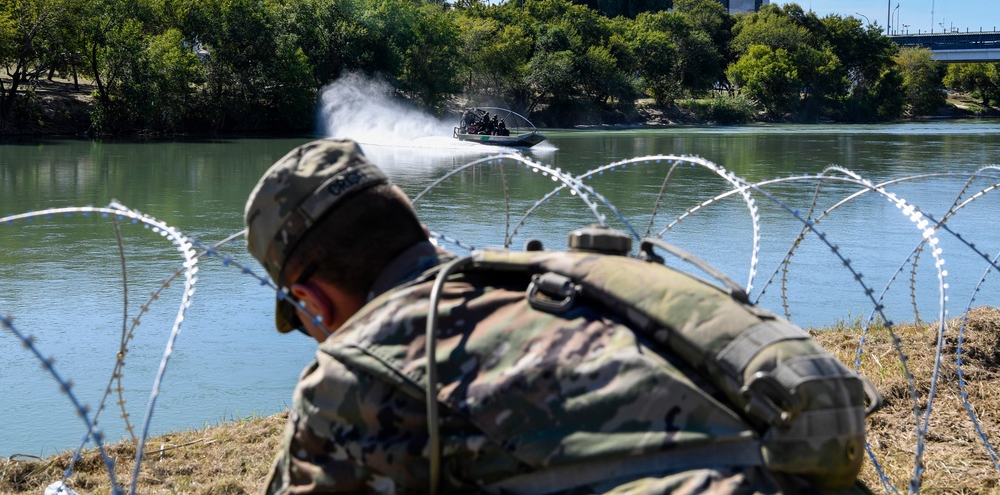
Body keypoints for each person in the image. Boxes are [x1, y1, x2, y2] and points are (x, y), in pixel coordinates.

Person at [245, 140, 871, 495]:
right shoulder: (578, 283)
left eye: (300, 318)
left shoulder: (351, 375)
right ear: (420, 231)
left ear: (313, 301)